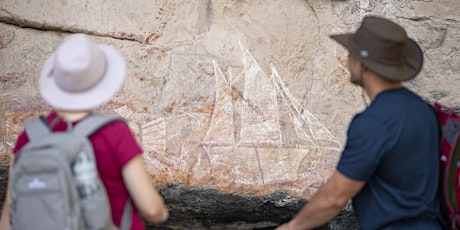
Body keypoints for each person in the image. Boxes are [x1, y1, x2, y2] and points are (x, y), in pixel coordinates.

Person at [276, 16, 445, 230]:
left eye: (351, 53)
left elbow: (335, 197)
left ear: (363, 64)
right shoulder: (422, 110)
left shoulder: (374, 123)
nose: (347, 59)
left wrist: (292, 227)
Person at [0, 33, 168, 229]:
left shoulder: (28, 138)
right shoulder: (114, 133)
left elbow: (9, 215)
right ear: (102, 82)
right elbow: (151, 209)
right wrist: (162, 213)